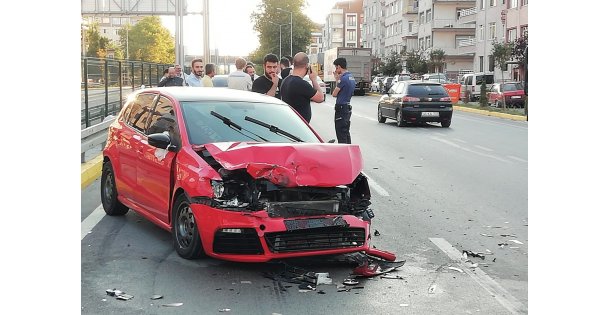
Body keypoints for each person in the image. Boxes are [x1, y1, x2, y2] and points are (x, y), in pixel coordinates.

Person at [279, 52, 324, 123]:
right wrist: (314, 80)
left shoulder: (285, 80)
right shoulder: (301, 84)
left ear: (294, 64)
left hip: (289, 122)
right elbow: (320, 98)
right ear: (307, 65)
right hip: (299, 126)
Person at [331, 57, 356, 144]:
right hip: (347, 107)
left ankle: (344, 155)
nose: (335, 70)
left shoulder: (343, 79)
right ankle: (349, 153)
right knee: (346, 133)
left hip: (341, 108)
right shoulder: (351, 77)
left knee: (341, 134)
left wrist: (337, 80)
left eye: (336, 67)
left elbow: (334, 94)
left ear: (339, 67)